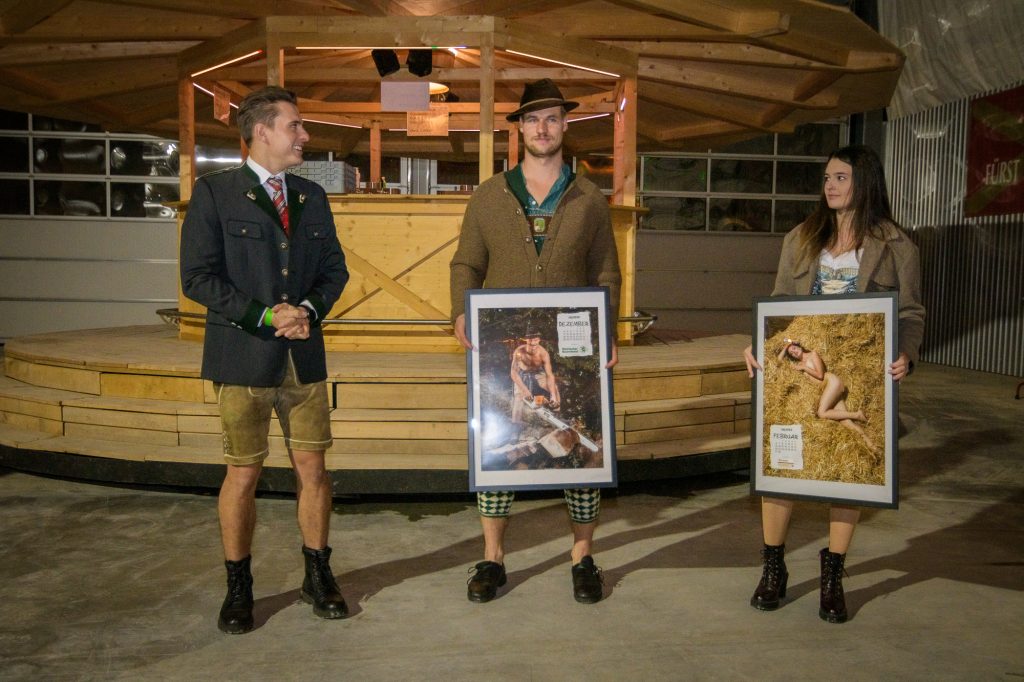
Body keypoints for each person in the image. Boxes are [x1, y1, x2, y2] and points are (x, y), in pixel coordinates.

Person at [180, 86, 350, 634]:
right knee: (243, 473)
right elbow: (196, 278)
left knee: (314, 470)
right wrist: (264, 315)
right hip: (241, 358)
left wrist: (306, 309)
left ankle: (317, 575)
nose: (305, 135)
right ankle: (239, 586)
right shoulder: (215, 193)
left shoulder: (310, 196)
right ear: (261, 132)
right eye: (295, 126)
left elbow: (335, 271)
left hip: (304, 358)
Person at [450, 79, 621, 604]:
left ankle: (582, 556)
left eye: (551, 118)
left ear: (564, 125)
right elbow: (466, 263)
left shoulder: (589, 197)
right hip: (500, 343)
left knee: (580, 443)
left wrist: (608, 331)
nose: (542, 128)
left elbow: (606, 271)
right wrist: (460, 311)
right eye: (532, 119)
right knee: (496, 444)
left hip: (572, 341)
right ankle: (493, 557)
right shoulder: (489, 195)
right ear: (520, 128)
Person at [743, 144, 924, 623]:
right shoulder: (801, 238)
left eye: (841, 177)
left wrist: (906, 353)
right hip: (801, 360)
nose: (830, 186)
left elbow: (910, 313)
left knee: (850, 473)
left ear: (865, 182)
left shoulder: (897, 246)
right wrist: (758, 343)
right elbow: (778, 304)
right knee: (781, 462)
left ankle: (832, 575)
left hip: (860, 368)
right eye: (827, 178)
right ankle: (774, 567)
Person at [776, 338, 876, 453]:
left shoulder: (812, 354)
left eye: (794, 348)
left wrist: (804, 367)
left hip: (832, 382)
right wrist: (786, 347)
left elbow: (820, 375)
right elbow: (779, 361)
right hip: (827, 392)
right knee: (846, 423)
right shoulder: (798, 365)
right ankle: (873, 447)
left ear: (799, 346)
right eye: (791, 353)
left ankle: (857, 414)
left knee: (822, 413)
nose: (794, 352)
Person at [510, 330, 561, 425]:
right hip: (522, 373)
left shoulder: (543, 353)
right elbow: (513, 373)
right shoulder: (519, 351)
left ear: (539, 340)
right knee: (519, 396)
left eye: (535, 340)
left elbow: (549, 375)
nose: (533, 343)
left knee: (554, 388)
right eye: (530, 341)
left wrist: (553, 395)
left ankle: (556, 413)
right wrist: (525, 390)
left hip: (538, 372)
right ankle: (516, 422)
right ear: (526, 340)